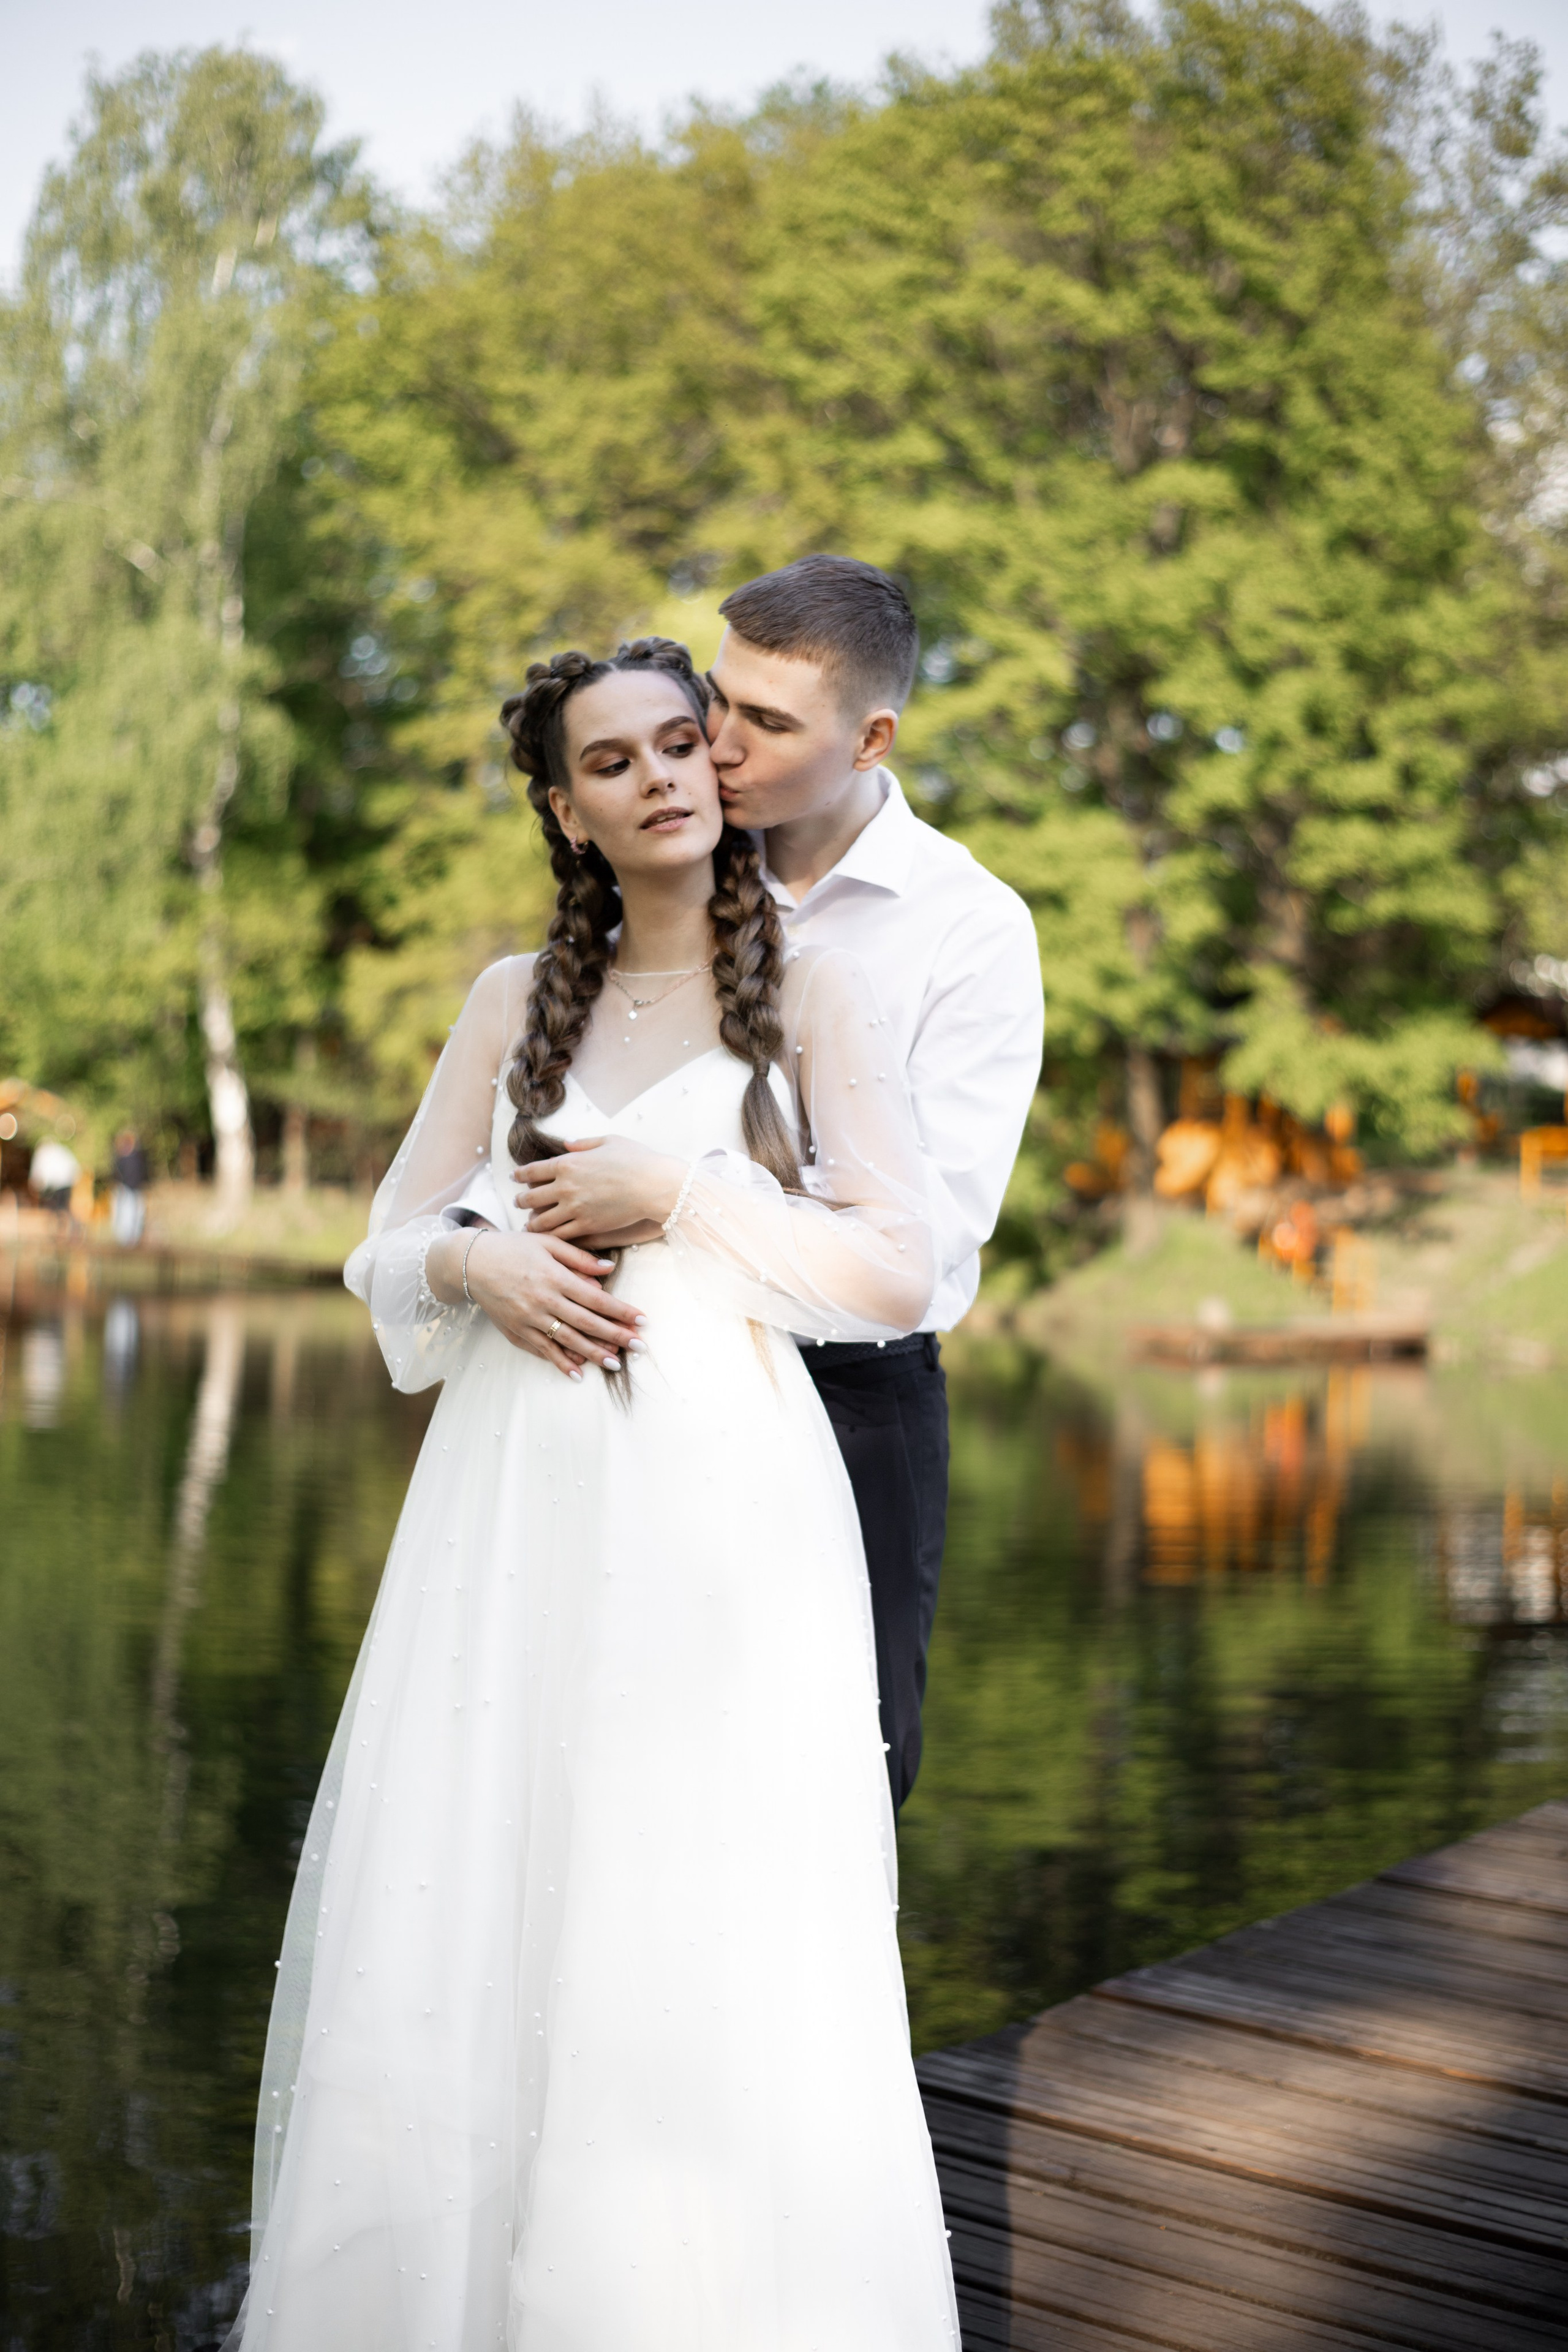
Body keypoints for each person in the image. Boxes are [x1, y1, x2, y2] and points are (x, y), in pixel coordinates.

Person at [224, 638, 959, 2352]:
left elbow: (897, 1270)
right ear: (567, 808)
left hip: (723, 1523)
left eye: (682, 742)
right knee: (498, 1879)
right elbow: (383, 1243)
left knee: (695, 1897)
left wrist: (685, 1193)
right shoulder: (508, 1000)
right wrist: (474, 1270)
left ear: (722, 763)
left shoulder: (817, 991)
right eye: (612, 761)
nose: (660, 776)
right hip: (511, 1512)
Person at [536, 556, 1043, 1810]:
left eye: (767, 723)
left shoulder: (969, 930)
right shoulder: (660, 880)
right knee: (629, 1773)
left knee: (844, 1773)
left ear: (871, 739)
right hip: (642, 1376)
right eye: (718, 700)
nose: (716, 745)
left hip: (850, 1395)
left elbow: (929, 1234)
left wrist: (673, 1191)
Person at [111, 1127, 149, 1246]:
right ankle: (126, 1240)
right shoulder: (124, 1158)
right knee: (127, 1215)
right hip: (127, 1189)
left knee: (134, 1215)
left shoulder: (137, 1157)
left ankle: (132, 1240)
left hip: (134, 1190)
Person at [29, 1134, 81, 1215]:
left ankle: (60, 1222)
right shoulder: (61, 1150)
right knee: (62, 1207)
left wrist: (37, 1183)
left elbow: (40, 1170)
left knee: (56, 1208)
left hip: (56, 1185)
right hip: (65, 1182)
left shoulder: (44, 1153)